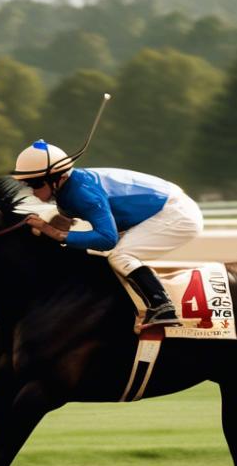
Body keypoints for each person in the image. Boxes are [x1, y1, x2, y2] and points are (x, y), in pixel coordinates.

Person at [13, 139, 203, 328]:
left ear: (59, 178)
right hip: (162, 209)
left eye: (36, 183)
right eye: (27, 183)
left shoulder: (82, 193)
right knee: (99, 254)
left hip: (177, 213)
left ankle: (164, 308)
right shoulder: (67, 190)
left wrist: (53, 232)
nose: (31, 190)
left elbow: (107, 239)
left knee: (121, 255)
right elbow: (65, 222)